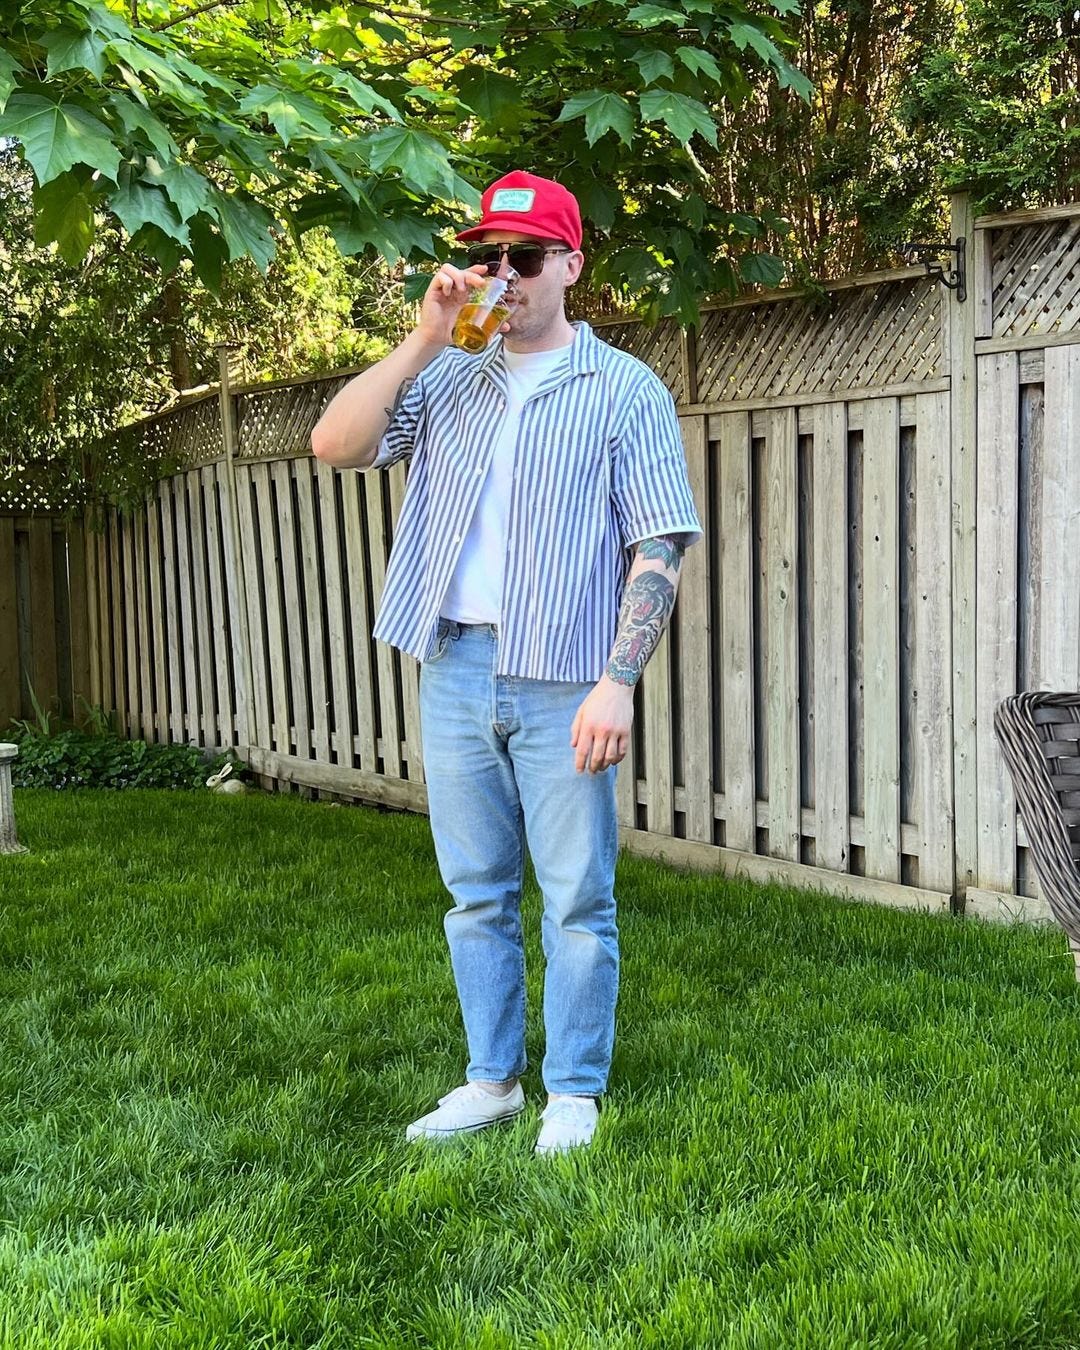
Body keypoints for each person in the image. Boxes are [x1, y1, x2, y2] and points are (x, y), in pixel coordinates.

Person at [311, 171, 702, 1155]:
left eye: (525, 258)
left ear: (570, 265)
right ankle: (491, 1080)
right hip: (454, 664)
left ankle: (572, 1089)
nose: (505, 275)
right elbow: (333, 443)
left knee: (577, 895)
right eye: (489, 256)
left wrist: (619, 681)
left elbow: (660, 543)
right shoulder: (447, 376)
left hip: (568, 674)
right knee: (476, 890)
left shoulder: (624, 389)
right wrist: (424, 337)